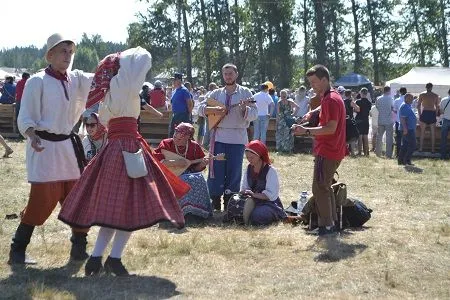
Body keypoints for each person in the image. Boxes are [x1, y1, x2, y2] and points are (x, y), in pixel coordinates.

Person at [58, 47, 189, 276]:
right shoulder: (124, 84)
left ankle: (98, 258)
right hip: (127, 148)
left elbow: (108, 120)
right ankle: (112, 259)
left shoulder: (108, 90)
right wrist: (125, 57)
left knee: (114, 211)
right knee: (128, 209)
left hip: (114, 149)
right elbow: (143, 57)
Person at [9, 33, 94, 265]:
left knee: (77, 198)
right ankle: (17, 250)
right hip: (44, 148)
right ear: (50, 55)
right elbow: (25, 115)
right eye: (62, 51)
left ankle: (79, 248)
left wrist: (119, 65)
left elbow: (99, 80)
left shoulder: (75, 79)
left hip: (68, 147)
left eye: (70, 52)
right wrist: (31, 135)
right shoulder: (37, 81)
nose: (67, 56)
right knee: (42, 199)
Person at [292, 64, 346, 236]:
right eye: (310, 82)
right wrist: (311, 113)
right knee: (326, 187)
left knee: (319, 188)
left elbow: (330, 128)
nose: (312, 86)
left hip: (328, 150)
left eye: (314, 82)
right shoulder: (333, 95)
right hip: (334, 150)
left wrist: (305, 130)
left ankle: (327, 226)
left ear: (324, 80)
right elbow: (325, 107)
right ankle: (332, 223)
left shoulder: (330, 99)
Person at [198, 63, 258, 211]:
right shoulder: (216, 93)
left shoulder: (245, 92)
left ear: (236, 74)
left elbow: (255, 114)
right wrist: (214, 109)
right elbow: (199, 109)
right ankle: (215, 201)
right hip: (219, 138)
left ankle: (231, 202)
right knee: (216, 170)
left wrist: (245, 108)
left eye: (231, 73)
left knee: (234, 171)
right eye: (225, 74)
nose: (228, 76)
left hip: (238, 138)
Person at [154, 122, 212, 224]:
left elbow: (195, 170)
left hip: (188, 173)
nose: (176, 139)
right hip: (168, 175)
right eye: (174, 136)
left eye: (179, 138)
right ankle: (180, 213)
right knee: (185, 179)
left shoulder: (194, 147)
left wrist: (202, 164)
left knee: (198, 178)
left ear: (188, 137)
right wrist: (176, 162)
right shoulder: (166, 144)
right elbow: (157, 162)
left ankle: (196, 213)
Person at [240, 140, 286, 226]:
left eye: (252, 158)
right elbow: (245, 187)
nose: (249, 160)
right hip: (253, 201)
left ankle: (275, 216)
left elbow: (270, 195)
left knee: (257, 216)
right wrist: (245, 191)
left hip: (269, 203)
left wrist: (254, 195)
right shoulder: (248, 169)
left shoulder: (271, 171)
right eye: (247, 158)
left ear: (259, 155)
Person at [417, 83, 440, 152]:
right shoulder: (435, 95)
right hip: (432, 113)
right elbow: (437, 107)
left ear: (426, 87)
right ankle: (432, 150)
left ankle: (421, 148)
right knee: (433, 133)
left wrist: (420, 114)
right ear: (432, 87)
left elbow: (418, 105)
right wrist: (435, 114)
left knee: (422, 132)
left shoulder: (422, 95)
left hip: (425, 113)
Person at [169, 73, 192, 137]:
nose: (173, 81)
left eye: (174, 80)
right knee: (172, 134)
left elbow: (189, 104)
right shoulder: (175, 90)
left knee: (182, 135)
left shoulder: (184, 90)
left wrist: (188, 115)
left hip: (183, 116)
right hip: (175, 115)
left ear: (179, 80)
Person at [276, 89, 298, 153]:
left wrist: (293, 114)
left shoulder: (279, 103)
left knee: (282, 134)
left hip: (283, 120)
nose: (283, 97)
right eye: (282, 96)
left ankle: (282, 149)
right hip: (287, 120)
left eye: (284, 96)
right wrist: (293, 114)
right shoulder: (289, 101)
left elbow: (278, 114)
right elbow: (297, 107)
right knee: (287, 134)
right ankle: (287, 149)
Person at [398, 93, 417, 165]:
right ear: (406, 98)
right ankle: (406, 160)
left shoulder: (407, 106)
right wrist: (405, 129)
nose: (412, 100)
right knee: (413, 145)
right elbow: (403, 119)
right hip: (407, 129)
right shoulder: (405, 106)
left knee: (405, 145)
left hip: (408, 128)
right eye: (410, 98)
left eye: (412, 98)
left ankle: (401, 161)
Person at [375, 86, 394, 158]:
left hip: (381, 119)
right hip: (388, 120)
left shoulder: (378, 98)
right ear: (389, 91)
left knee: (379, 137)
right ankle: (388, 154)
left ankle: (378, 153)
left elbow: (377, 107)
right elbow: (392, 108)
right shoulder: (391, 99)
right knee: (389, 138)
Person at [355, 88, 372, 156]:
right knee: (365, 136)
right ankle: (366, 151)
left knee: (360, 136)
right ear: (367, 93)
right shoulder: (369, 102)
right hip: (366, 120)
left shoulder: (358, 102)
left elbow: (355, 110)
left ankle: (359, 151)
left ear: (361, 93)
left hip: (359, 120)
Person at [343, 89, 360, 156]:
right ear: (350, 95)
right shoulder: (351, 102)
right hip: (350, 121)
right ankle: (352, 152)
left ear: (345, 94)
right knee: (353, 136)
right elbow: (358, 109)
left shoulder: (342, 101)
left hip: (343, 121)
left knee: (345, 136)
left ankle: (344, 151)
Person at [393, 87, 407, 157]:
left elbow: (395, 110)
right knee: (406, 138)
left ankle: (398, 153)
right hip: (407, 121)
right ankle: (405, 153)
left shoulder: (397, 100)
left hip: (398, 121)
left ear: (400, 92)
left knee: (398, 138)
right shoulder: (408, 100)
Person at [439, 88, 450, 159]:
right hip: (446, 119)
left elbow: (441, 111)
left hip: (446, 120)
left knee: (443, 139)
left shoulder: (443, 100)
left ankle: (443, 155)